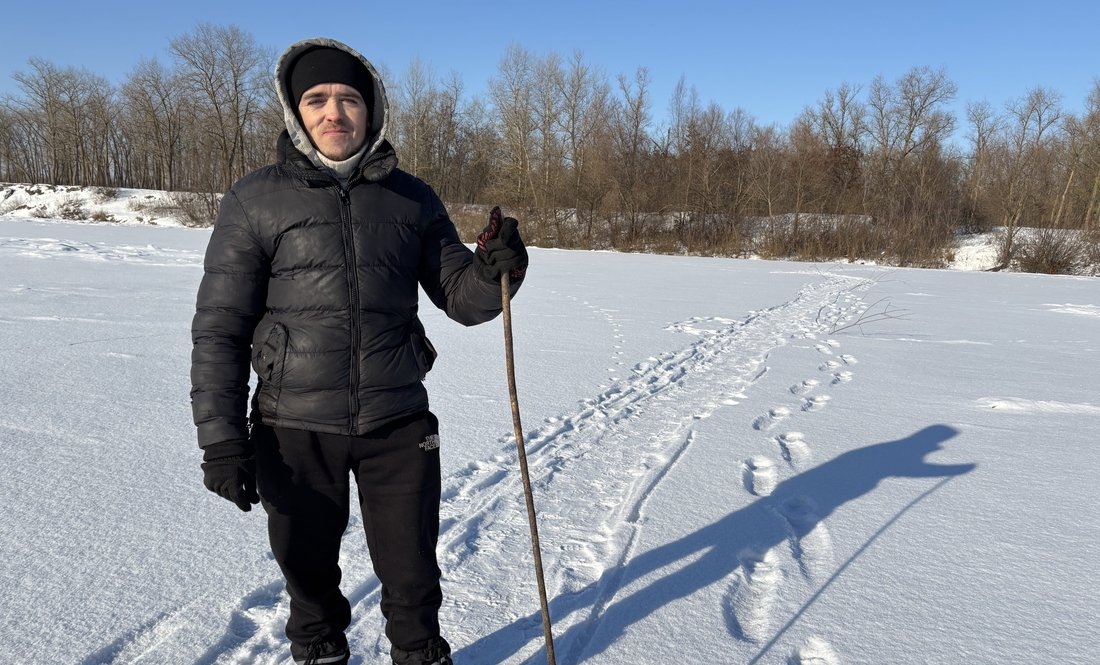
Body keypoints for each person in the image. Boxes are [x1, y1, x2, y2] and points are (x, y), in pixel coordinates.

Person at [190, 37, 528, 665]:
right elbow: (220, 328)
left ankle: (420, 655)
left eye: (348, 98)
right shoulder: (254, 199)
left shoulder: (412, 198)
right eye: (316, 99)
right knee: (308, 581)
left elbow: (463, 298)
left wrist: (495, 270)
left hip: (397, 422)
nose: (333, 113)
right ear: (296, 111)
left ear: (371, 109)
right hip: (293, 428)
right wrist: (222, 439)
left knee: (413, 577)